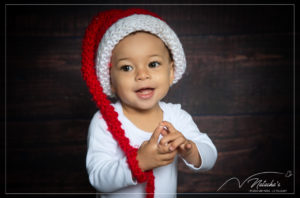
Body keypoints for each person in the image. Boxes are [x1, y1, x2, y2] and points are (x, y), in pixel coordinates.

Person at [81, 8, 217, 198]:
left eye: (153, 64)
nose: (142, 75)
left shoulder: (176, 117)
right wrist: (139, 163)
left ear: (171, 72)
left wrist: (190, 149)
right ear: (110, 81)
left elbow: (210, 154)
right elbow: (98, 178)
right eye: (127, 67)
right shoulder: (104, 121)